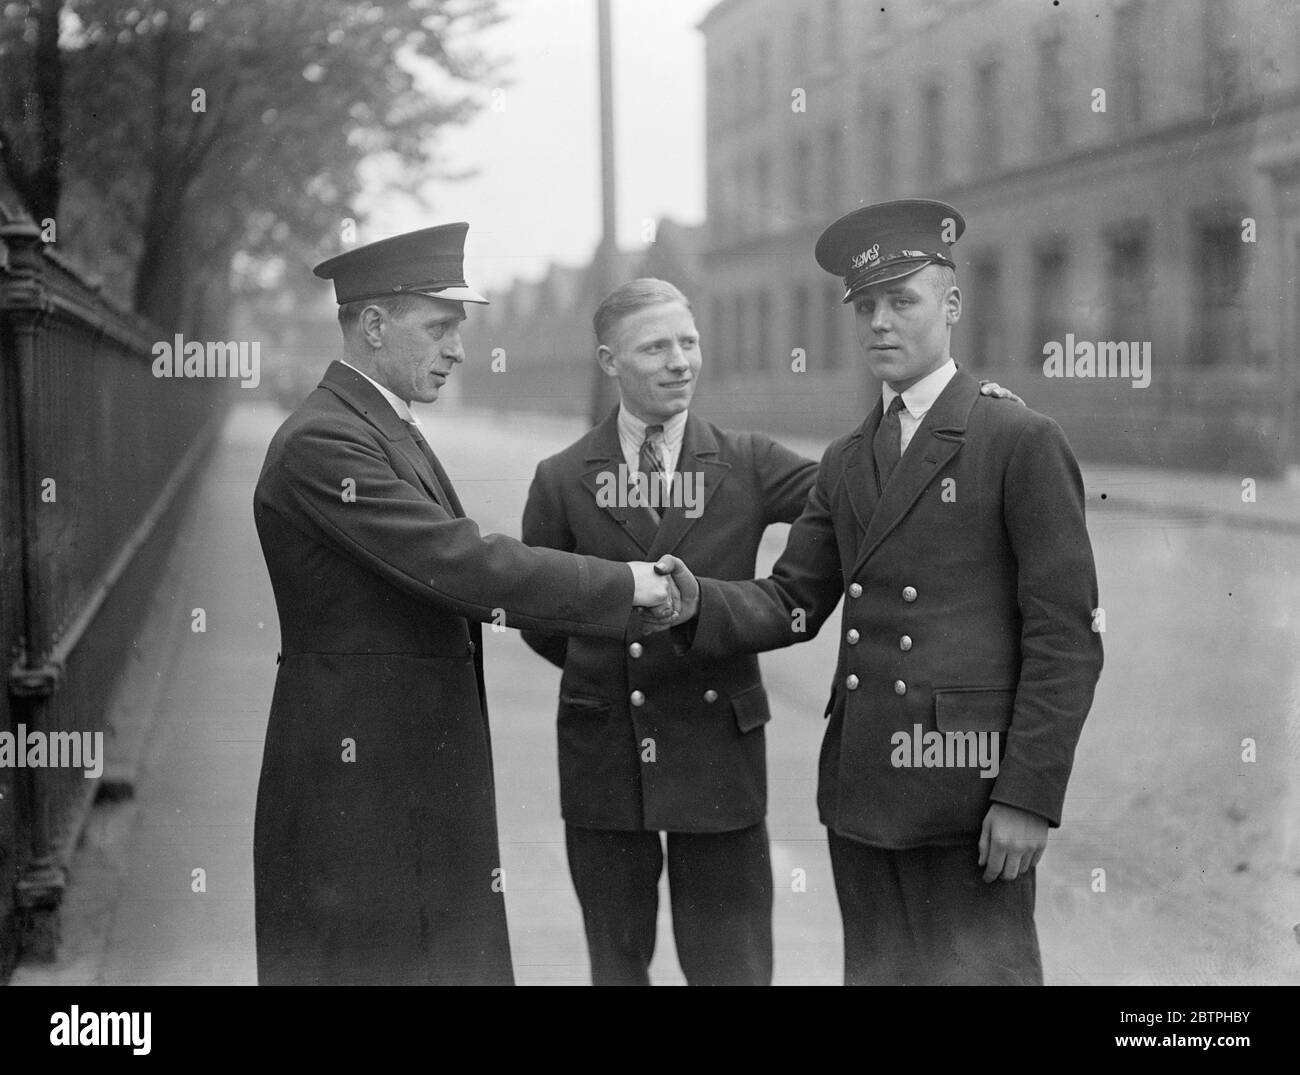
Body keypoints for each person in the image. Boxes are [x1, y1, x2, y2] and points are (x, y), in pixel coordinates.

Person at [520, 277, 1024, 986]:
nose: (679, 362)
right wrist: (608, 659)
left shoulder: (748, 460)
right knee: (616, 960)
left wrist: (965, 420)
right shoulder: (563, 476)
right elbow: (543, 620)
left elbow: (869, 495)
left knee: (733, 965)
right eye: (655, 347)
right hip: (605, 750)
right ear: (610, 362)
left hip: (717, 752)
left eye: (688, 343)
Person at [657, 200, 1104, 985]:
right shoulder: (846, 457)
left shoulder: (1017, 440)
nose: (880, 323)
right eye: (866, 306)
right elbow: (794, 597)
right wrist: (699, 602)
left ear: (952, 305)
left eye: (903, 301)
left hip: (969, 798)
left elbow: (1065, 636)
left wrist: (1029, 796)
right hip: (863, 795)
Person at [251, 224, 686, 986]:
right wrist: (625, 584)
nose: (458, 349)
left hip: (403, 779)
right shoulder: (326, 441)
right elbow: (462, 562)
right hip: (357, 792)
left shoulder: (379, 426)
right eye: (440, 328)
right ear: (374, 325)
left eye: (459, 330)